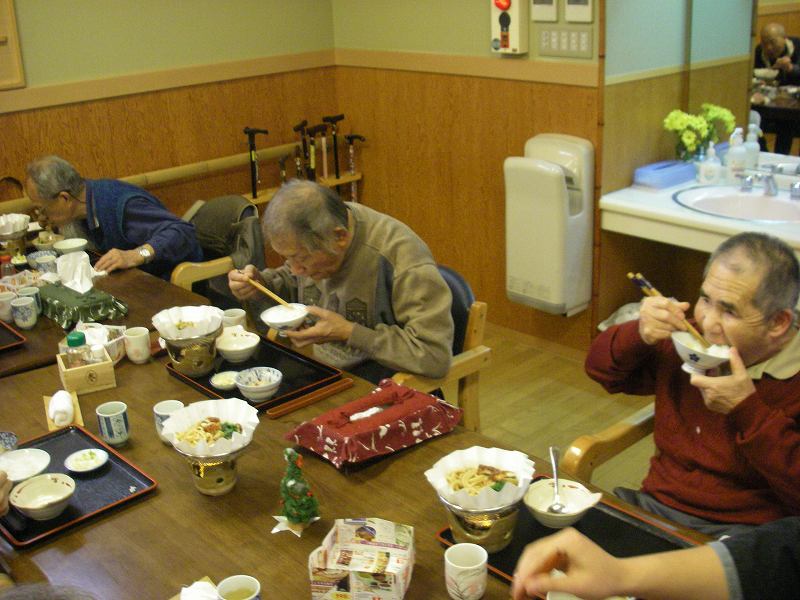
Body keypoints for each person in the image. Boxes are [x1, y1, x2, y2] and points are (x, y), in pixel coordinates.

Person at [585, 232, 800, 537]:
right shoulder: (689, 340)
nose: (707, 322)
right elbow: (601, 371)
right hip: (656, 505)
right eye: (705, 299)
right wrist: (640, 333)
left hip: (748, 534)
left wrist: (747, 410)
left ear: (778, 322)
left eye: (729, 311)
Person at [228, 179, 453, 382]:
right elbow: (293, 281)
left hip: (385, 381)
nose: (295, 270)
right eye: (288, 258)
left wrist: (348, 332)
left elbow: (434, 356)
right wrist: (261, 285)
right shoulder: (318, 233)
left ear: (340, 237)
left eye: (301, 258)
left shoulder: (401, 259)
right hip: (326, 371)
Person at [511, 519, 800, 600]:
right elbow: (785, 555)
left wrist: (745, 409)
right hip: (650, 511)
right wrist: (620, 575)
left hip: (738, 527)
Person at [24, 156, 203, 279]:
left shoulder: (120, 204)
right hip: (135, 281)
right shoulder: (82, 202)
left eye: (42, 208)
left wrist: (135, 255)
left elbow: (183, 231)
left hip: (173, 282)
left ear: (64, 198)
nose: (41, 216)